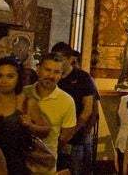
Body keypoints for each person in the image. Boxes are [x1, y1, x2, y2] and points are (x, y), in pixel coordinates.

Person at [0, 56, 50, 175]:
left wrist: (30, 126)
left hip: (16, 166)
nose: (4, 81)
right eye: (0, 76)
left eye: (10, 76)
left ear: (18, 78)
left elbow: (45, 130)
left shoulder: (27, 103)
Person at [23, 53, 77, 172]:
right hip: (20, 163)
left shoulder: (67, 101)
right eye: (47, 70)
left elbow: (66, 136)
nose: (51, 75)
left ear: (61, 75)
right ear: (38, 69)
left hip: (46, 166)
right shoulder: (23, 94)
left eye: (57, 72)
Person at [51, 42, 98, 175]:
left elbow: (88, 108)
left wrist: (73, 131)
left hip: (75, 136)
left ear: (70, 59)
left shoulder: (82, 78)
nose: (57, 63)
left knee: (74, 169)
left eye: (60, 59)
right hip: (53, 135)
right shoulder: (53, 78)